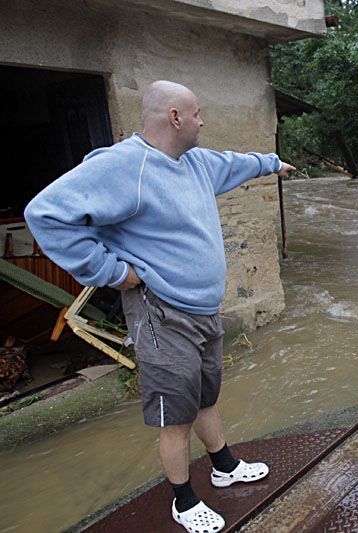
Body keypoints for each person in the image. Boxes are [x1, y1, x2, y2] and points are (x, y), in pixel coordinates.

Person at [24, 80, 295, 532]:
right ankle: (184, 501)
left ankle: (224, 466)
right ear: (174, 117)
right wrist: (111, 273)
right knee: (176, 416)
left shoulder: (194, 162)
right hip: (160, 312)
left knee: (205, 396)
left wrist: (270, 163)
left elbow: (234, 164)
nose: (202, 120)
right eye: (197, 112)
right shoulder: (123, 167)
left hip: (203, 309)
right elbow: (44, 214)